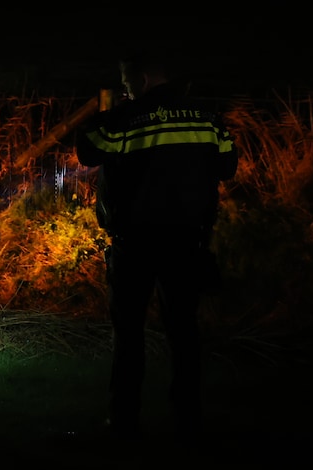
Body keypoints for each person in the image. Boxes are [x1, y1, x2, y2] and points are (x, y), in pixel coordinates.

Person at [74, 50, 237, 442]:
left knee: (128, 333)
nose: (125, 88)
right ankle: (187, 420)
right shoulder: (207, 118)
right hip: (187, 241)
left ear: (143, 78)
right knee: (184, 331)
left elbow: (87, 149)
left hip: (136, 242)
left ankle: (124, 420)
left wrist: (107, 110)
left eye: (127, 80)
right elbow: (228, 166)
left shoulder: (125, 120)